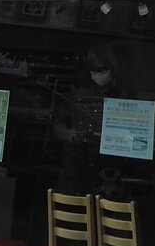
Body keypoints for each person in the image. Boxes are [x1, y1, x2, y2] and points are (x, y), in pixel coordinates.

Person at [54, 43, 133, 194]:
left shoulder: (124, 96)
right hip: (76, 164)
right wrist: (68, 134)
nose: (97, 74)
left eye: (102, 70)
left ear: (112, 70)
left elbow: (132, 134)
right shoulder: (78, 94)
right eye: (94, 70)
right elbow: (58, 124)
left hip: (109, 169)